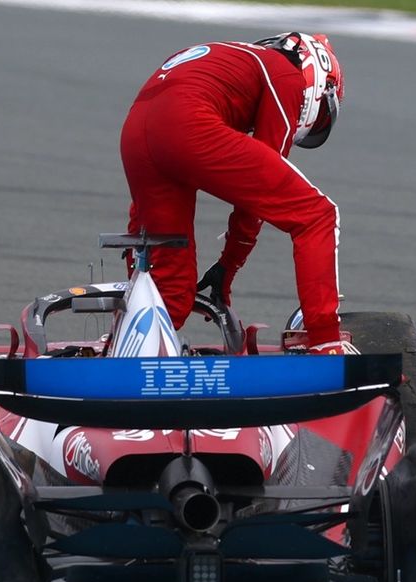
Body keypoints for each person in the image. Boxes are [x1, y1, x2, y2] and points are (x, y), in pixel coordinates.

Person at [120, 32, 351, 354]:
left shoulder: (223, 54)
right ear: (318, 81)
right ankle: (327, 343)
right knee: (316, 214)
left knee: (171, 291)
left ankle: (125, 351)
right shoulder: (285, 75)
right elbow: (255, 201)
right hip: (189, 124)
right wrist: (229, 265)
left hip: (135, 133)